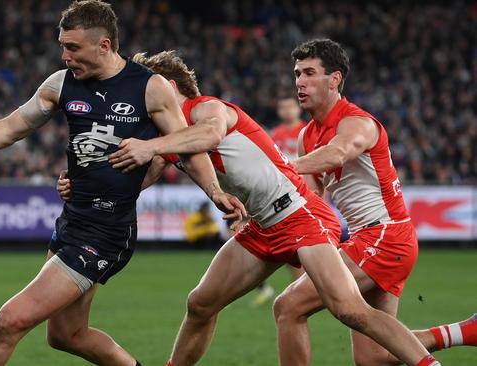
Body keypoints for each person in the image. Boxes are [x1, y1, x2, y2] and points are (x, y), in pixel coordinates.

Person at [0, 2, 244, 366]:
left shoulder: (150, 89)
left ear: (104, 45)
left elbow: (188, 148)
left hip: (106, 230)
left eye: (72, 47)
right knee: (66, 335)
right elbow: (9, 129)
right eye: (62, 45)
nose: (64, 55)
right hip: (72, 221)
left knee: (10, 321)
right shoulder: (60, 84)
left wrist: (215, 192)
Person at [104, 50, 442, 366]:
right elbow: (141, 174)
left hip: (300, 214)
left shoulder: (207, 108)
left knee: (348, 309)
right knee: (200, 304)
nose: (140, 99)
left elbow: (209, 135)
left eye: (145, 89)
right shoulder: (171, 135)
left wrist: (149, 146)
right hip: (263, 224)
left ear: (170, 87)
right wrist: (88, 185)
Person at [273, 38, 475, 366]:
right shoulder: (307, 136)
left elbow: (339, 152)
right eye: (297, 73)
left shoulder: (358, 122)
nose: (299, 81)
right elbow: (310, 201)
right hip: (377, 240)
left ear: (334, 79)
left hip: (384, 236)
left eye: (309, 73)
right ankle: (464, 332)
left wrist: (279, 165)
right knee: (374, 357)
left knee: (288, 307)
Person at [249, 94, 309, 307]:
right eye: (282, 107)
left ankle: (301, 295)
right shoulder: (275, 134)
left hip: (303, 196)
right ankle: (296, 295)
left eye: (289, 106)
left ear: (298, 108)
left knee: (298, 251)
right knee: (285, 250)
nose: (286, 111)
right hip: (279, 195)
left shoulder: (306, 131)